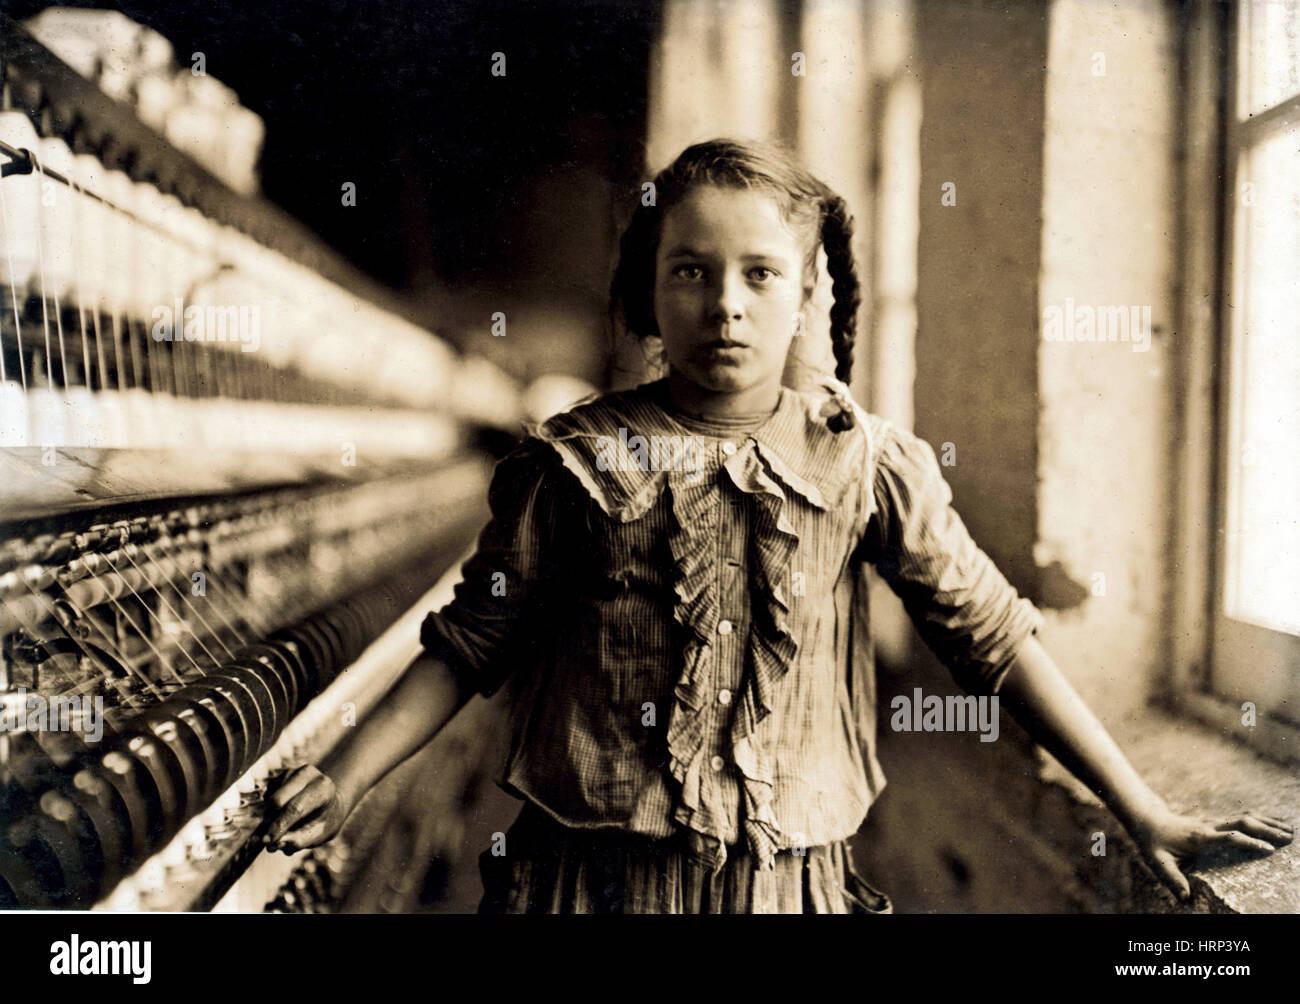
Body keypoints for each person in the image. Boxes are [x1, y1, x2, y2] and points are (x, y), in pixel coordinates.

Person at [263, 138, 1292, 913]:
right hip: (585, 880)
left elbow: (994, 637)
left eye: (760, 274)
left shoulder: (865, 462)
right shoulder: (570, 462)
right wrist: (345, 780)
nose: (725, 305)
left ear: (807, 294)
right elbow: (466, 644)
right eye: (690, 270)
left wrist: (1139, 806)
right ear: (645, 289)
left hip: (783, 885)